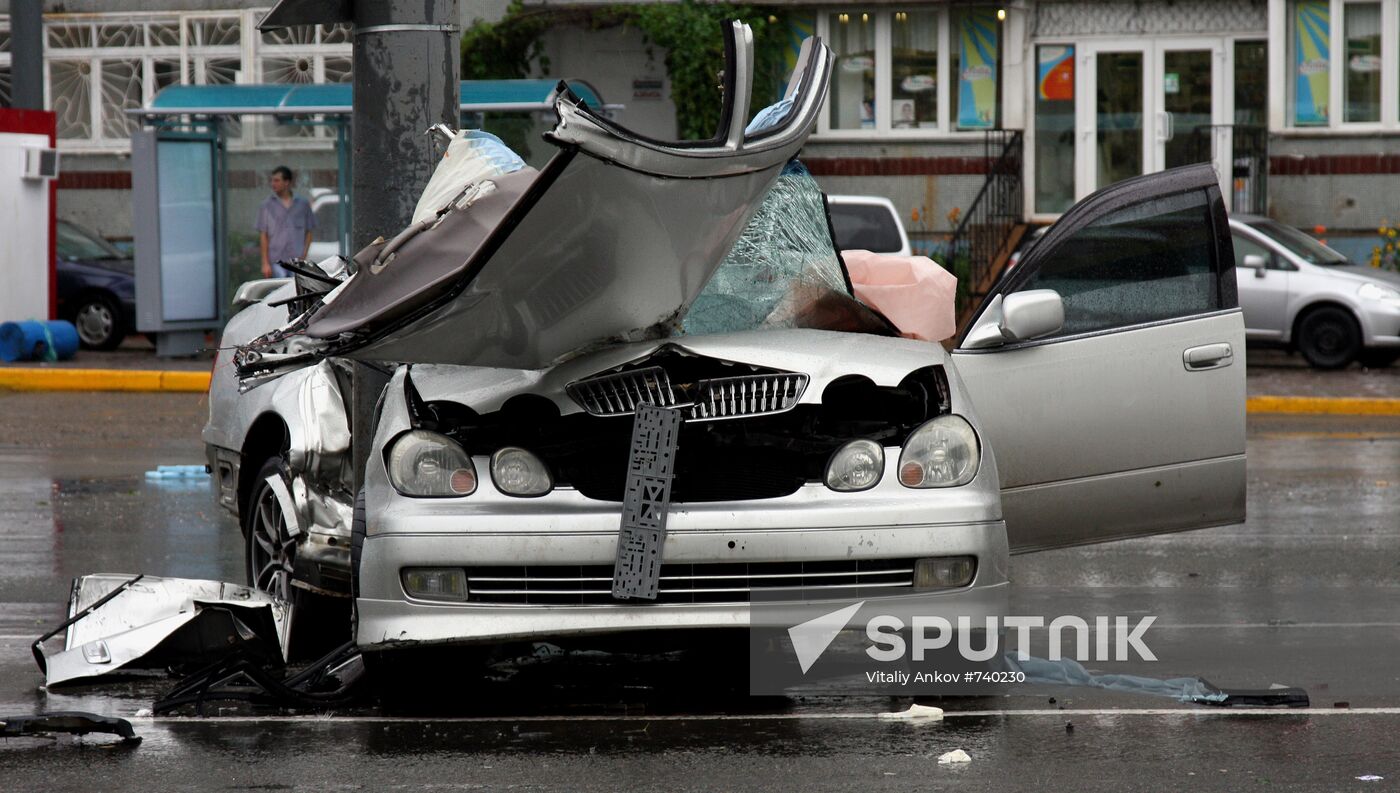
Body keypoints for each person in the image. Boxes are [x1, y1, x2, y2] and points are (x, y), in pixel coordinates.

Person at [256, 165, 316, 278]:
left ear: (287, 182)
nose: (273, 184)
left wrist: (304, 256)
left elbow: (309, 232)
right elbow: (263, 235)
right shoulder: (267, 206)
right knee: (279, 292)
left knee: (295, 292)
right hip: (276, 261)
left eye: (277, 180)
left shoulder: (303, 204)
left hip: (297, 262)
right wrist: (265, 263)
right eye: (272, 180)